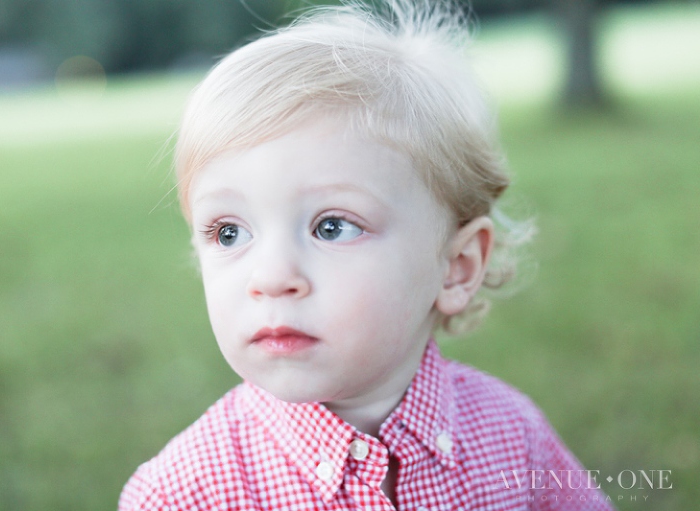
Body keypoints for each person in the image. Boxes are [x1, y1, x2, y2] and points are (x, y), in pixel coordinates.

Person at [119, 1, 615, 509]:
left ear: (457, 267)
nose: (269, 277)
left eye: (331, 227)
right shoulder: (182, 493)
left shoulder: (512, 437)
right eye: (228, 233)